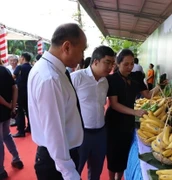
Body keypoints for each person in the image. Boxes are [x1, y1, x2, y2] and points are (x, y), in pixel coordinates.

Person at [27, 23, 86, 180]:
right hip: (57, 162)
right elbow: (54, 133)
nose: (82, 57)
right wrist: (69, 173)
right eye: (81, 50)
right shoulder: (50, 78)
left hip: (59, 157)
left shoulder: (51, 70)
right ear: (66, 47)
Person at [105, 49, 163, 180]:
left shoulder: (136, 77)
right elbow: (114, 104)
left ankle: (119, 178)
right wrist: (135, 112)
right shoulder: (112, 79)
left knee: (124, 154)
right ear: (118, 64)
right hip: (114, 122)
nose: (130, 67)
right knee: (113, 155)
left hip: (128, 122)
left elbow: (147, 95)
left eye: (132, 64)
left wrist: (159, 87)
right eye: (126, 64)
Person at [71, 46, 115, 180]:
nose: (110, 67)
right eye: (107, 62)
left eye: (112, 64)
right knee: (75, 169)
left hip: (100, 133)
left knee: (96, 169)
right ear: (95, 61)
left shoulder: (105, 81)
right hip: (81, 133)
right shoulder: (76, 78)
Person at [0, 60, 23, 179]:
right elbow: (15, 88)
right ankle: (16, 158)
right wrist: (13, 106)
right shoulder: (5, 70)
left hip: (4, 109)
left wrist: (10, 106)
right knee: (7, 135)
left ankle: (1, 170)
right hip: (6, 112)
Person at [12, 52, 32, 137]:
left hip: (20, 92)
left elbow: (13, 77)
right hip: (29, 92)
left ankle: (21, 130)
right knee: (29, 111)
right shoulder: (31, 67)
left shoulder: (20, 67)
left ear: (23, 58)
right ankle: (30, 127)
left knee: (20, 111)